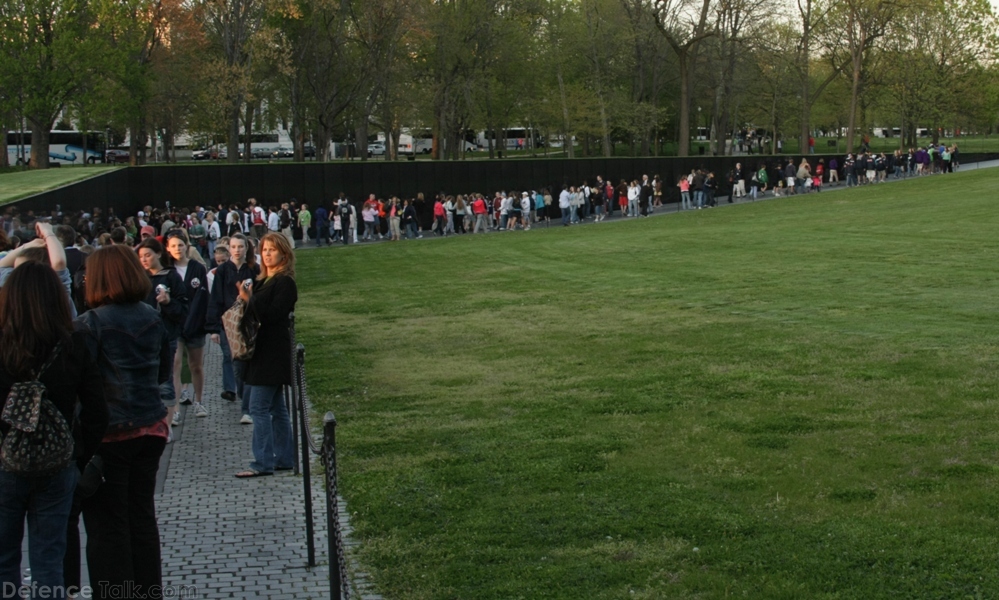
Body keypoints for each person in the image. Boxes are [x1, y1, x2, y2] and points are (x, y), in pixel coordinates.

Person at [0, 262, 108, 600]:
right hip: (57, 461)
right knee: (49, 560)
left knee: (4, 560)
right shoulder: (74, 340)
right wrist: (79, 456)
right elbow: (97, 409)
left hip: (5, 460)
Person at [75, 245, 172, 600]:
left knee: (106, 526)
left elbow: (80, 385)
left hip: (109, 435)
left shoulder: (89, 324)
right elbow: (162, 370)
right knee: (141, 516)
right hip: (150, 427)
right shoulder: (150, 315)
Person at [234, 233, 298, 478]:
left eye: (273, 249)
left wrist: (251, 301)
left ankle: (262, 462)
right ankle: (283, 458)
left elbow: (274, 315)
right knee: (276, 407)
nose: (268, 254)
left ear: (284, 253)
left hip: (272, 352)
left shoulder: (285, 282)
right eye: (265, 250)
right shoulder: (261, 281)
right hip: (259, 350)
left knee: (258, 406)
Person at [206, 234, 260, 424]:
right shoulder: (222, 271)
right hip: (227, 323)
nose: (237, 250)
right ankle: (242, 395)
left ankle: (247, 408)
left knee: (246, 363)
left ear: (246, 248)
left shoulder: (254, 269)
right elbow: (215, 299)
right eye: (234, 246)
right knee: (235, 363)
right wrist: (213, 328)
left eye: (241, 246)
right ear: (229, 248)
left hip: (248, 322)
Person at [137, 238, 189, 432]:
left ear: (158, 254)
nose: (144, 260)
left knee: (165, 381)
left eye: (148, 255)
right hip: (142, 337)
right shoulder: (139, 278)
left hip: (166, 336)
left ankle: (166, 427)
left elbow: (183, 309)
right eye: (141, 256)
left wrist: (167, 302)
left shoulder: (171, 277)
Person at [165, 231, 209, 418]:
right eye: (173, 246)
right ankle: (174, 408)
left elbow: (202, 296)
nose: (177, 249)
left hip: (195, 323)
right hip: (175, 324)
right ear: (167, 249)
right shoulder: (168, 270)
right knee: (175, 364)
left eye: (180, 245)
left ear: (186, 247)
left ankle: (198, 400)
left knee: (195, 365)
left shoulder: (197, 268)